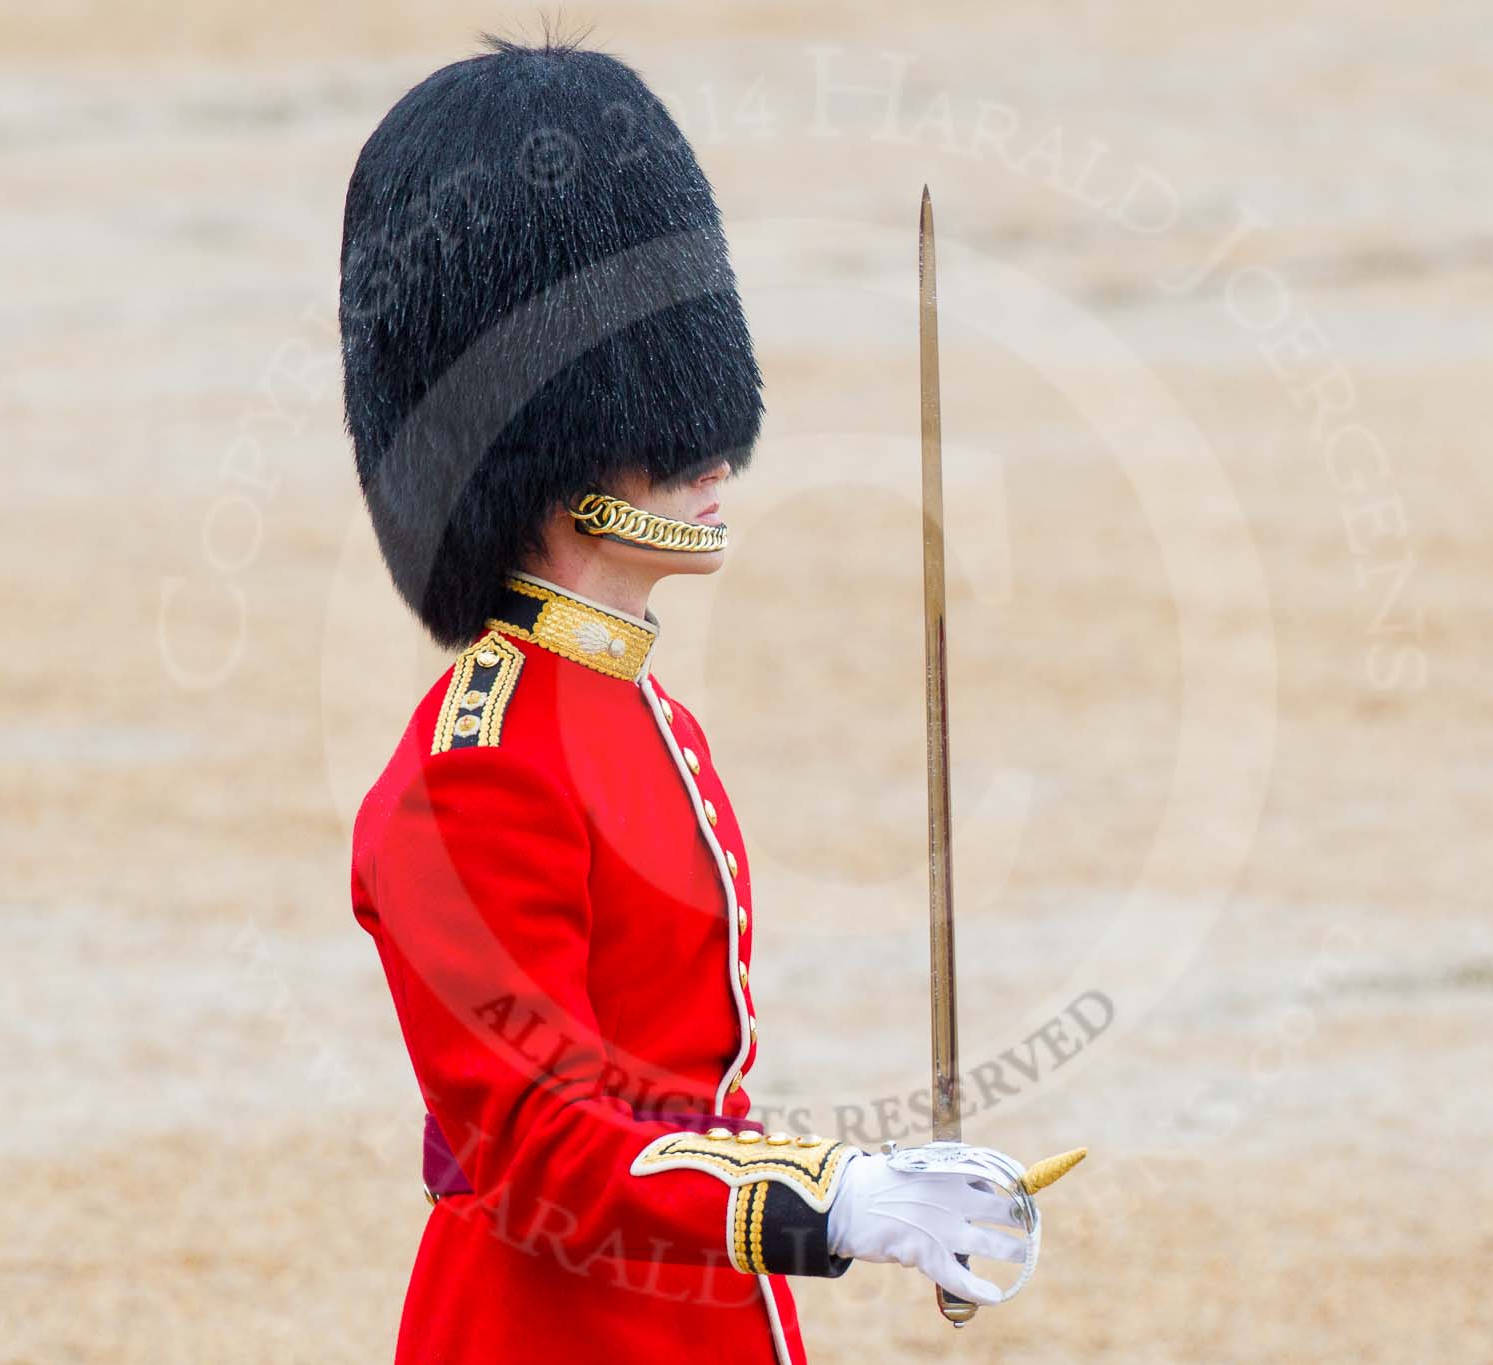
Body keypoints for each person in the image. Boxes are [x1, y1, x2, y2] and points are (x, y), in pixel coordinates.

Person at [340, 36, 1042, 1364]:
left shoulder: (642, 711)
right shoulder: (475, 771)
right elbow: (544, 1144)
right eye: (659, 427)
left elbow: (679, 1099)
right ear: (543, 456)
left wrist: (873, 1187)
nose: (713, 454)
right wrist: (828, 1200)